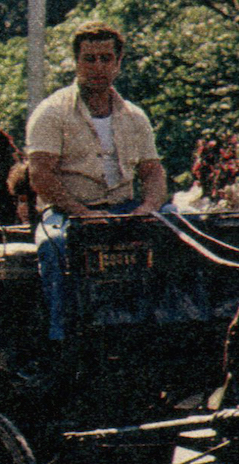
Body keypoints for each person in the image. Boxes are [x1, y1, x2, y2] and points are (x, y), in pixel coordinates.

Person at [26, 20, 169, 342]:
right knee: (55, 246)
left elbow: (153, 172)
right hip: (69, 212)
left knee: (180, 229)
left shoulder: (134, 116)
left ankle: (176, 326)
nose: (97, 67)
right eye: (89, 58)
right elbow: (40, 174)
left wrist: (147, 207)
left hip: (127, 207)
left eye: (106, 58)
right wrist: (82, 212)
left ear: (118, 63)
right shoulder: (51, 112)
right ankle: (62, 339)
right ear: (76, 62)